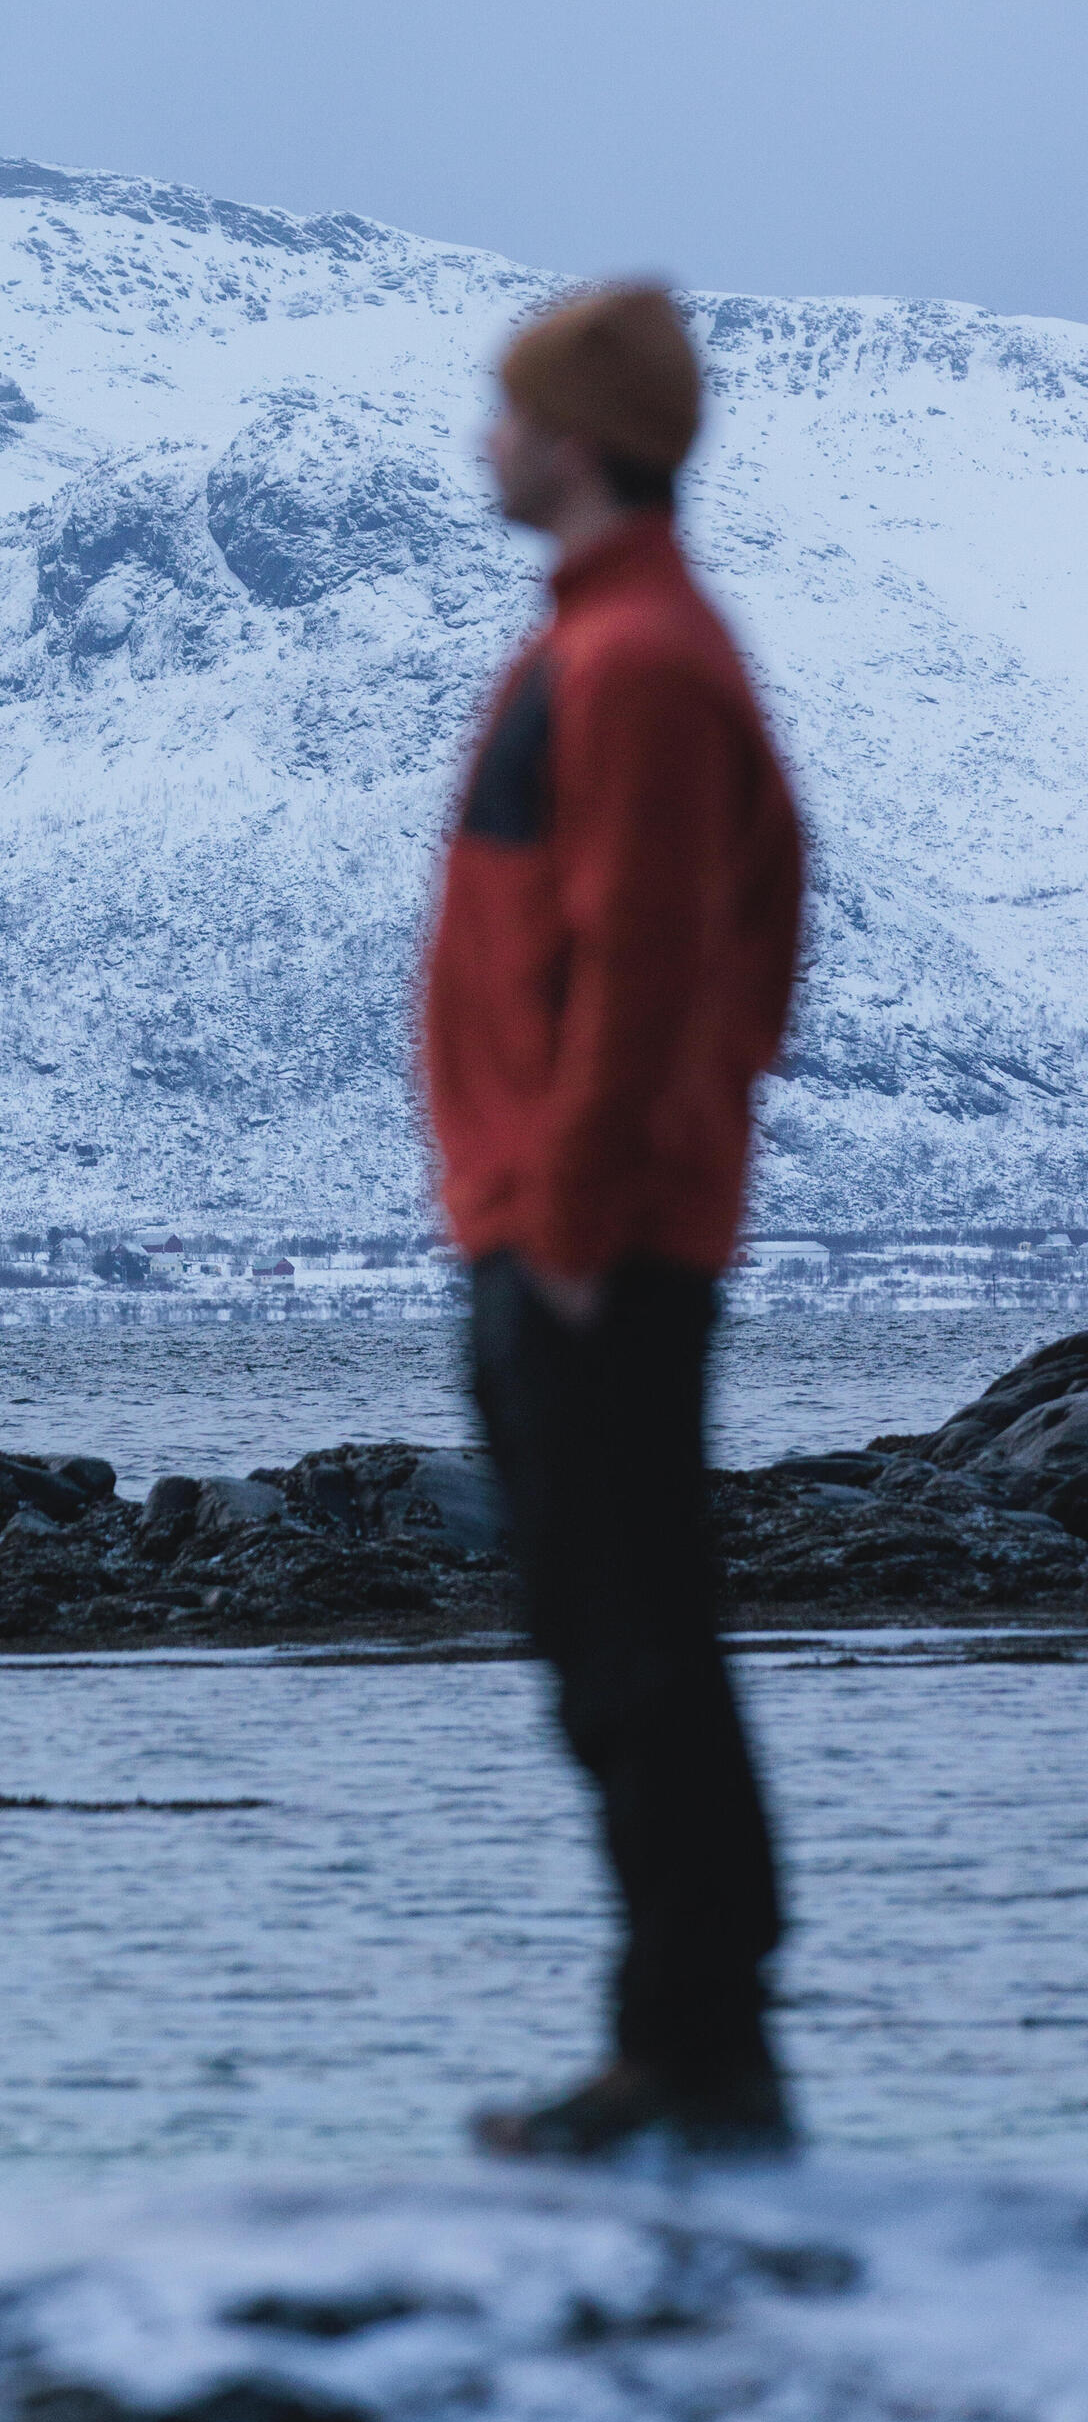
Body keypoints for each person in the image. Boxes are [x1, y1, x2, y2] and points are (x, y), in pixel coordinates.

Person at [422, 280, 807, 2160]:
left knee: (630, 1622)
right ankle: (687, 2037)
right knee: (608, 1621)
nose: (483, 440)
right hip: (570, 1216)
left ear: (574, 438)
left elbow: (657, 959)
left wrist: (573, 1217)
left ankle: (699, 2048)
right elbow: (763, 925)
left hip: (589, 1239)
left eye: (505, 412)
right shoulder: (619, 643)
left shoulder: (638, 659)